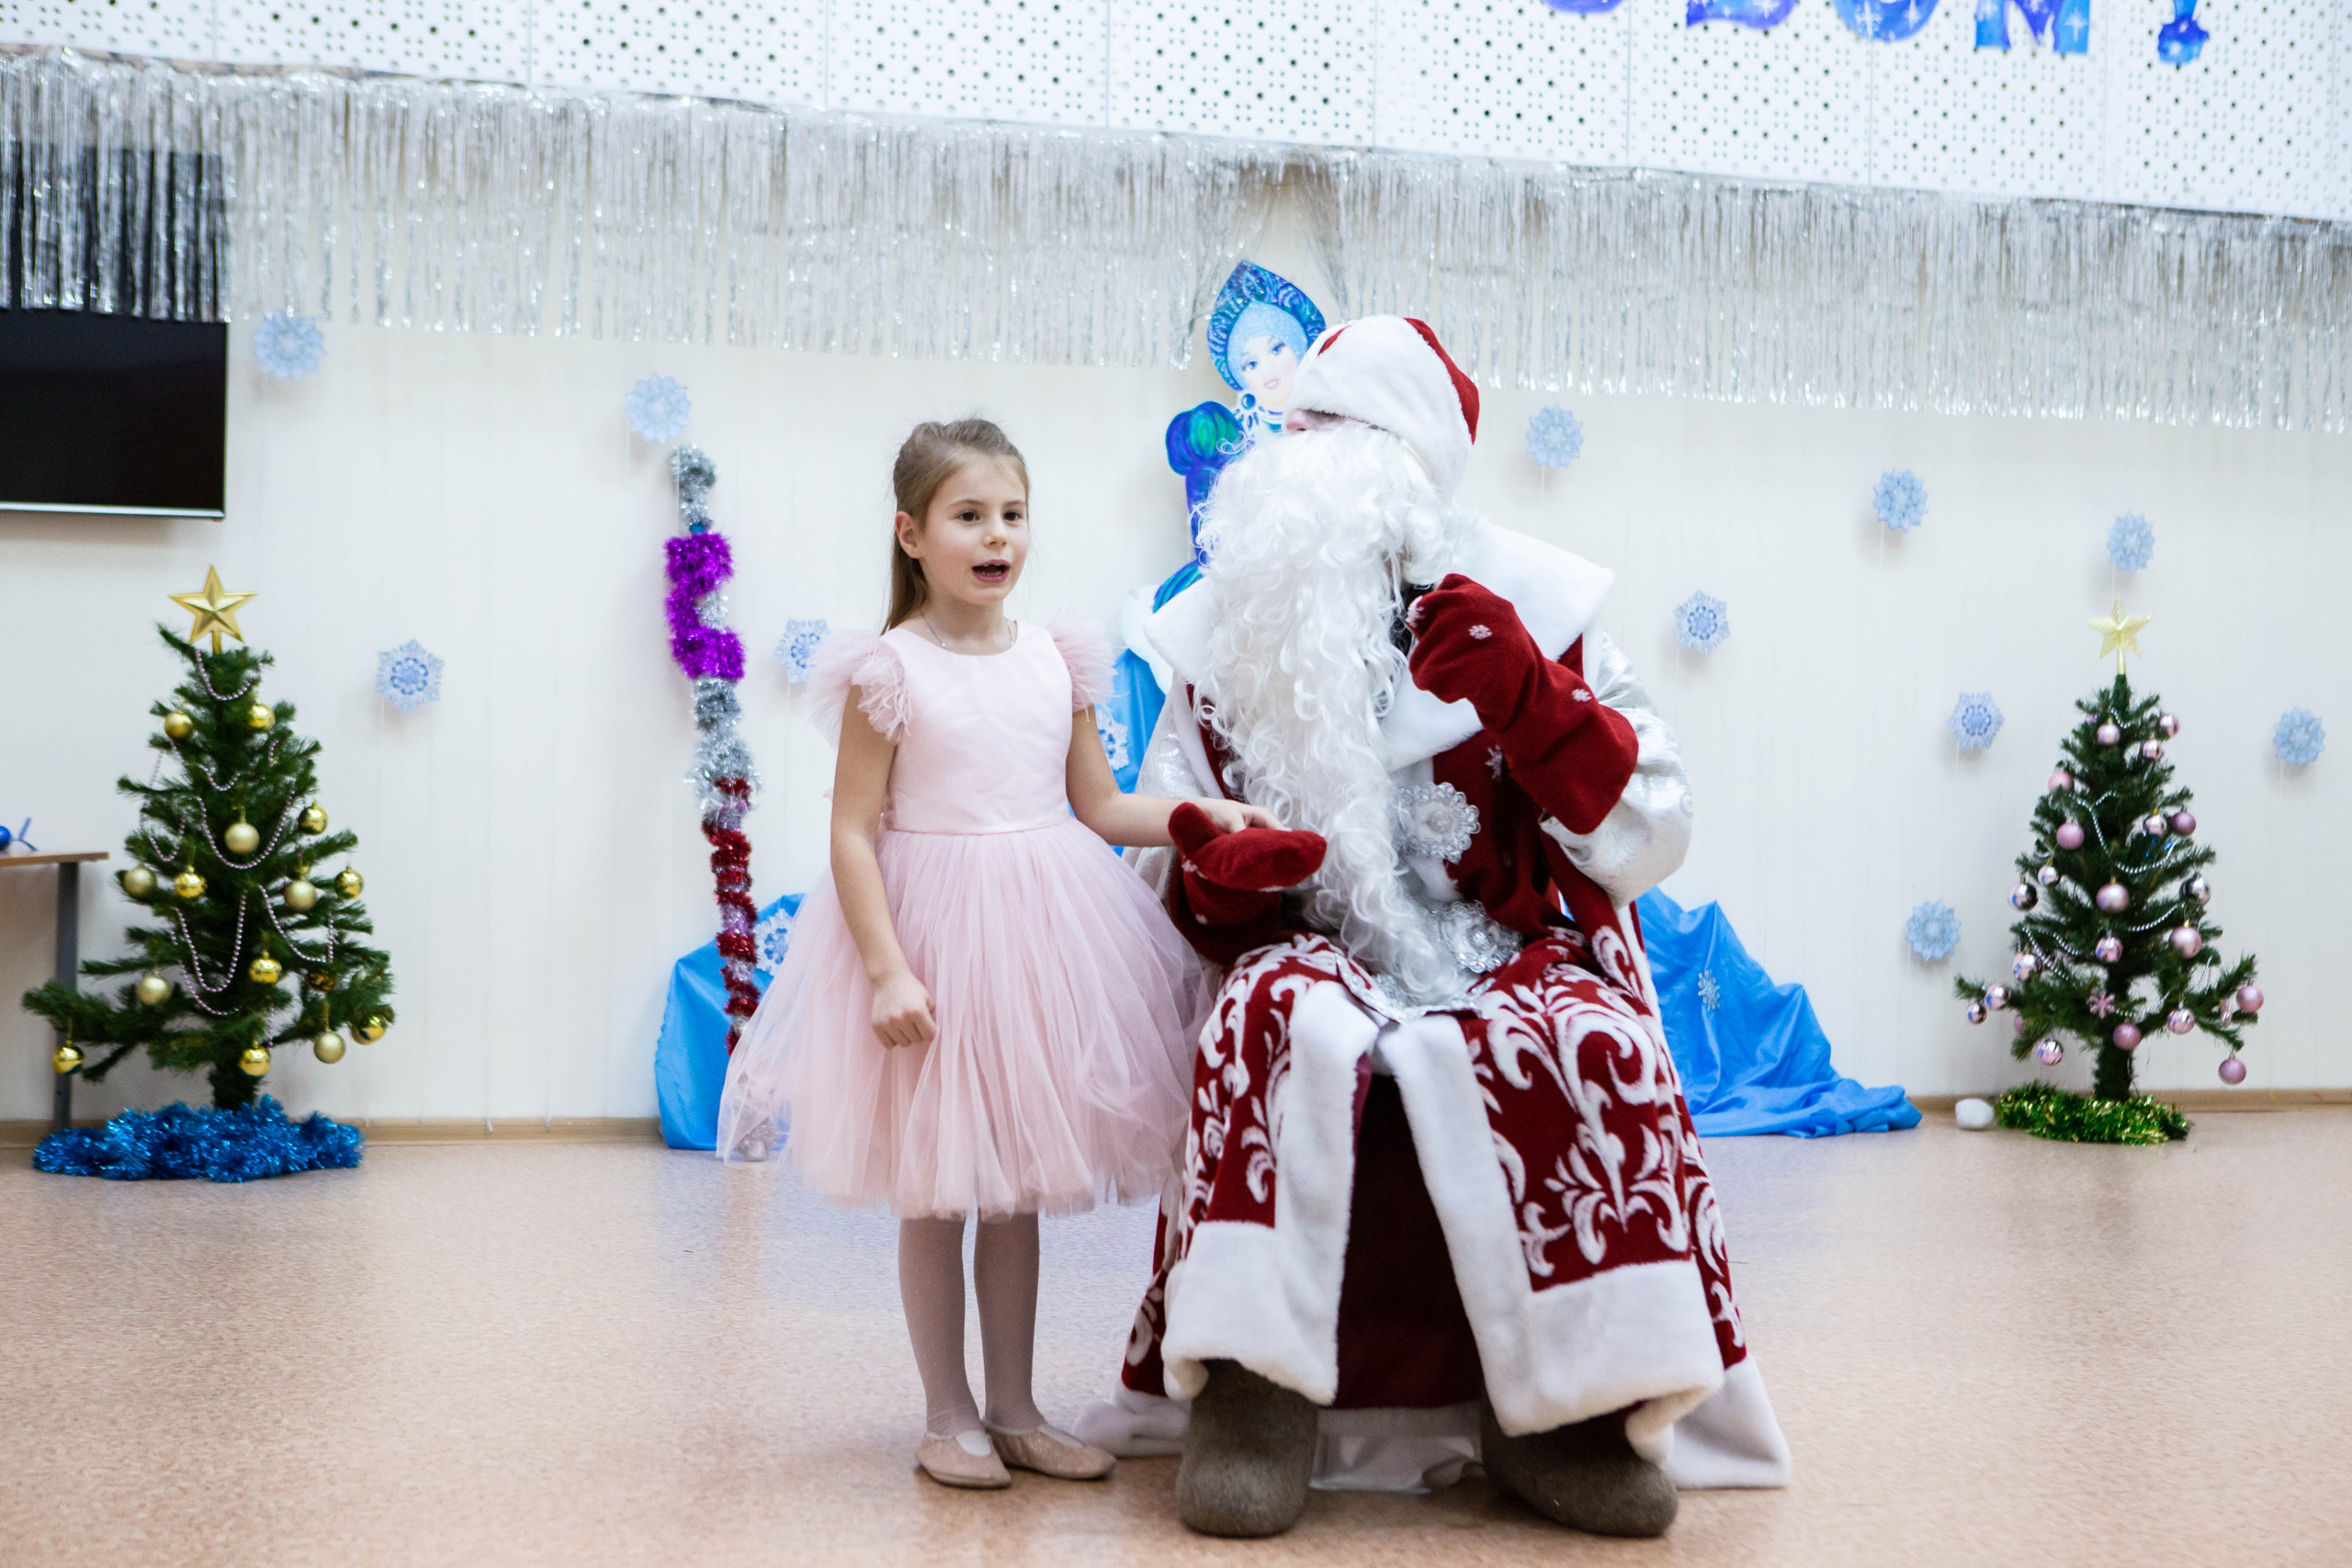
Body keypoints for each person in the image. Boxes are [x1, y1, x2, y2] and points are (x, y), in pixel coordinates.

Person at [1072, 319, 1791, 1537]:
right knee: (1272, 1015)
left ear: (1406, 464)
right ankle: (1255, 1394)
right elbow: (1162, 846)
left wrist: (1533, 697)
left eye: (1330, 432)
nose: (1295, 456)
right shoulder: (1217, 633)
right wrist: (1222, 880)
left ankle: (1564, 1411)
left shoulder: (1546, 608)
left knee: (1579, 1034)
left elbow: (1653, 831)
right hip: (1312, 944)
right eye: (1293, 429)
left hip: (1500, 941)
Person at [715, 418, 1277, 1492]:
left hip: (1042, 931)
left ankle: (1016, 1408)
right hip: (929, 932)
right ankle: (946, 1414)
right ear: (911, 534)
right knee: (937, 1184)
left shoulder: (1054, 657)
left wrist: (1203, 812)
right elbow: (850, 830)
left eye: (1011, 516)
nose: (995, 537)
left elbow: (1100, 804)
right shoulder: (891, 670)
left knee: (1011, 1187)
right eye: (968, 516)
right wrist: (886, 968)